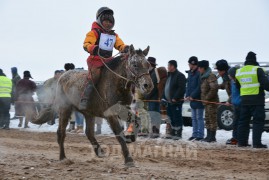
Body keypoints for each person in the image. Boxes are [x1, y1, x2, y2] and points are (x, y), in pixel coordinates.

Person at [80, 7, 129, 110]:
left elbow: (119, 44)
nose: (108, 24)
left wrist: (124, 48)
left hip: (109, 61)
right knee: (95, 76)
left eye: (110, 22)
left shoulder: (114, 35)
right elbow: (86, 44)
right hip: (95, 60)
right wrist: (94, 48)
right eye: (106, 21)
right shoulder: (94, 32)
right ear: (100, 20)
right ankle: (85, 98)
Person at [235, 52, 269, 148]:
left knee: (243, 121)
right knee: (257, 121)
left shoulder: (240, 71)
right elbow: (266, 84)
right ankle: (257, 143)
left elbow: (238, 86)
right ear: (255, 60)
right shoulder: (257, 70)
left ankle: (242, 142)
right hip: (257, 100)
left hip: (244, 100)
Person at [163, 60, 186, 140]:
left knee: (177, 118)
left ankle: (178, 133)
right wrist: (163, 97)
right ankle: (172, 132)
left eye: (169, 65)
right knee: (171, 118)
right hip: (169, 102)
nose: (168, 67)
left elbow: (181, 88)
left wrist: (175, 98)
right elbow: (165, 88)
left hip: (176, 102)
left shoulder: (180, 76)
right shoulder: (169, 76)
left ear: (173, 66)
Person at [198, 60, 219, 142]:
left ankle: (212, 137)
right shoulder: (204, 76)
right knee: (207, 119)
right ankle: (208, 136)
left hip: (211, 102)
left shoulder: (210, 76)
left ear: (203, 68)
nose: (199, 70)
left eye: (200, 68)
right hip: (206, 102)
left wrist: (206, 98)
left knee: (212, 119)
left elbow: (214, 88)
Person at [185, 56, 204, 141]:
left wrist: (192, 95)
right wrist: (187, 95)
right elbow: (189, 86)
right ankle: (194, 133)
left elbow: (199, 87)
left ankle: (200, 134)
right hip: (192, 99)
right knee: (193, 117)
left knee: (199, 117)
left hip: (198, 99)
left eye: (189, 63)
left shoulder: (198, 73)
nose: (189, 65)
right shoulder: (190, 73)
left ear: (193, 64)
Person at [144, 57, 162, 138]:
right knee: (152, 115)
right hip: (152, 98)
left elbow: (153, 87)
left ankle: (156, 132)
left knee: (154, 115)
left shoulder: (154, 73)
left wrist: (147, 96)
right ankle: (154, 131)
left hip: (154, 98)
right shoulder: (151, 73)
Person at [226, 67, 241, 145]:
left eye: (229, 74)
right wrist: (229, 101)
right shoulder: (232, 82)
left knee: (239, 123)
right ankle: (235, 137)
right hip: (235, 105)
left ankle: (239, 138)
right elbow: (233, 93)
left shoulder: (239, 82)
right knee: (235, 122)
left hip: (240, 104)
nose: (228, 76)